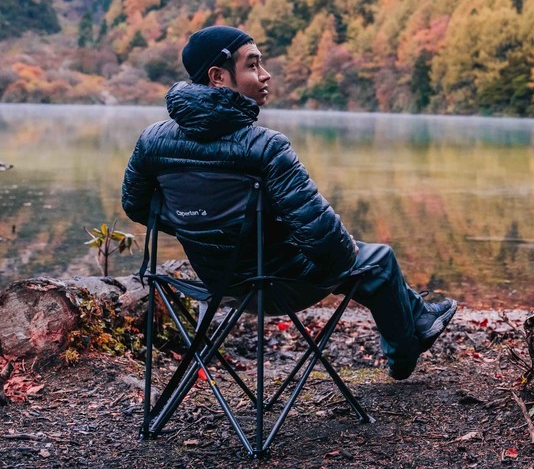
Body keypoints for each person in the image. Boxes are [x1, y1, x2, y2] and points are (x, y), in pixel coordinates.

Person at [122, 25, 456, 380]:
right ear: (218, 76)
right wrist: (274, 235)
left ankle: (418, 316)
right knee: (377, 261)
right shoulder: (265, 147)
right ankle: (404, 353)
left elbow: (137, 207)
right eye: (252, 65)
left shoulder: (152, 141)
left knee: (353, 258)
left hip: (216, 282)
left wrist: (205, 231)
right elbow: (331, 245)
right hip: (277, 285)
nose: (265, 75)